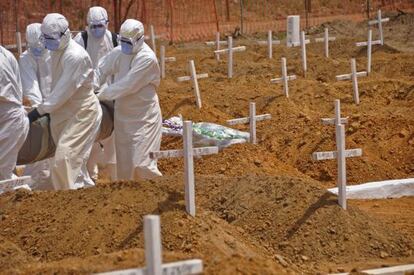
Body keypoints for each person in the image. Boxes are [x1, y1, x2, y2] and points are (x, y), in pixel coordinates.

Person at [27, 13, 102, 190]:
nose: (47, 42)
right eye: (45, 38)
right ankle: (85, 201)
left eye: (51, 38)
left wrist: (36, 113)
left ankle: (70, 203)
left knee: (65, 159)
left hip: (82, 114)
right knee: (74, 166)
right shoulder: (56, 50)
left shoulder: (75, 56)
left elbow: (61, 92)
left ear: (65, 34)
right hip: (63, 114)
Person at [94, 19, 162, 180]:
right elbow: (101, 68)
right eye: (122, 41)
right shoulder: (120, 52)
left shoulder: (147, 58)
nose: (125, 45)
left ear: (140, 39)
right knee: (125, 168)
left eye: (128, 42)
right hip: (123, 117)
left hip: (144, 118)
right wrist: (93, 86)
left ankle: (152, 197)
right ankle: (130, 204)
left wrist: (100, 95)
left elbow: (127, 85)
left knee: (143, 165)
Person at [73, 6, 117, 181]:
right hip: (88, 94)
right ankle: (91, 176)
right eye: (93, 27)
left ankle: (115, 177)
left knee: (113, 135)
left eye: (100, 26)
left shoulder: (113, 39)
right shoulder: (80, 40)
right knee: (89, 134)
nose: (96, 30)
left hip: (110, 93)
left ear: (107, 23)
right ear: (87, 26)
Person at [19, 23, 53, 190]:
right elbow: (30, 86)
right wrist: (41, 109)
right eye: (33, 46)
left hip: (58, 106)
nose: (37, 49)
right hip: (40, 111)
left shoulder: (55, 53)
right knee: (40, 155)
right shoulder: (25, 59)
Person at [0, 46, 29, 180]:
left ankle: (24, 196)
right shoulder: (6, 54)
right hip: (12, 118)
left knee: (3, 174)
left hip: (8, 120)